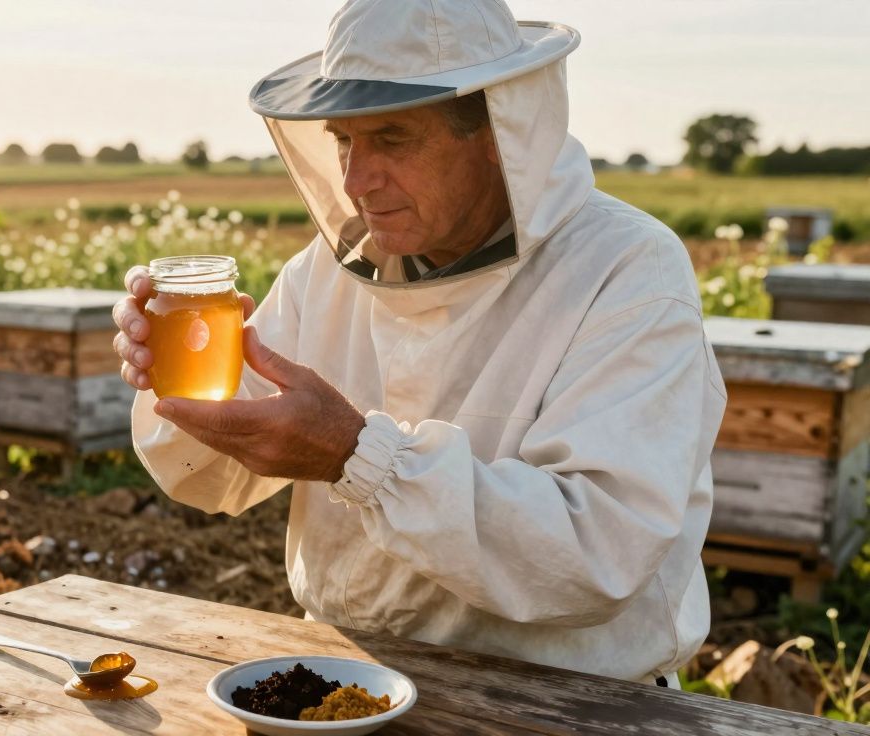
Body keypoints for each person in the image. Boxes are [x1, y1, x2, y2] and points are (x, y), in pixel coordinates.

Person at [112, 0, 725, 687]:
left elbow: (597, 551)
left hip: (568, 703)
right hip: (346, 685)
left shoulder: (626, 272)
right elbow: (210, 477)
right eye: (345, 141)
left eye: (393, 139)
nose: (354, 181)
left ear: (498, 129)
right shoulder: (327, 270)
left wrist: (357, 456)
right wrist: (175, 377)